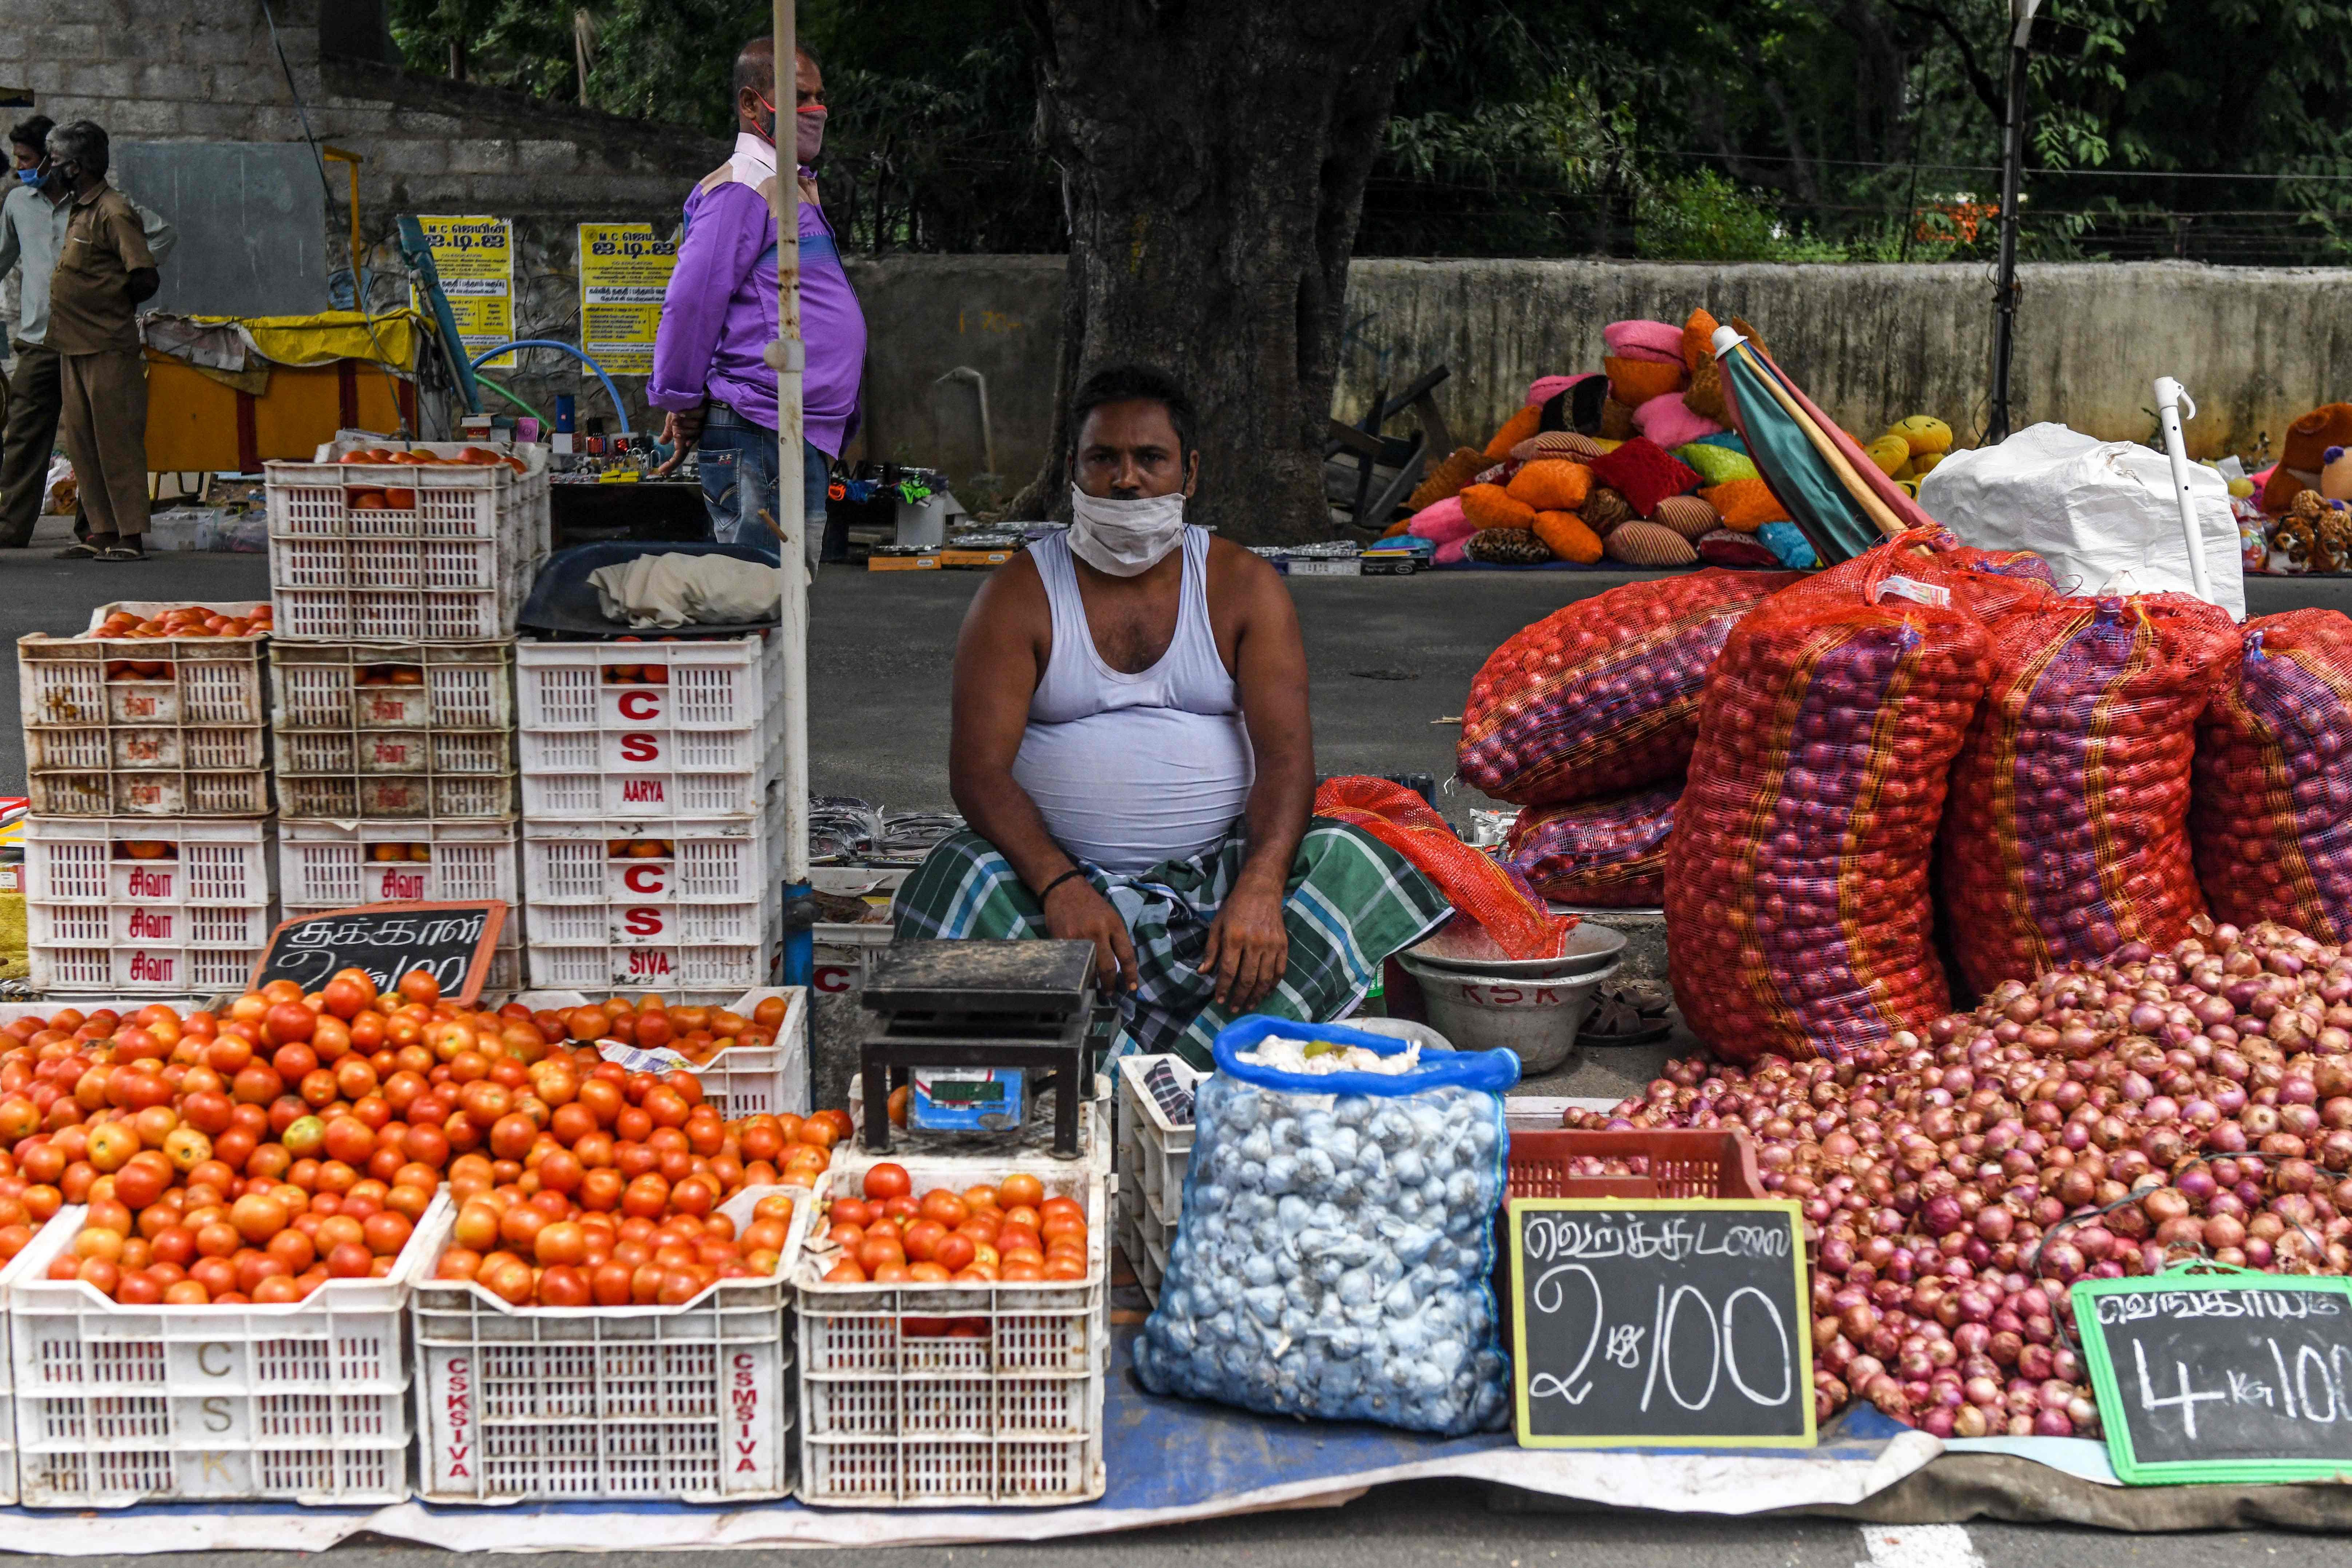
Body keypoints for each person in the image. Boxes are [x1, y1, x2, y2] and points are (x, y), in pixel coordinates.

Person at [893, 365, 1452, 1067]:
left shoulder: (1243, 585)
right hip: (1058, 888)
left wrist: (1260, 884)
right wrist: (1061, 884)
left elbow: (1285, 760)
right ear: (1073, 471)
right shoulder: (1019, 592)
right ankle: (1153, 1070)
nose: (1126, 479)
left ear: (1188, 473)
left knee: (1359, 856)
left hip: (1218, 882)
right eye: (1104, 459)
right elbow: (976, 772)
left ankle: (1194, 1067)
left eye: (1150, 459)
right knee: (955, 874)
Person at [650, 35, 864, 569]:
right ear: (751, 105)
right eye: (799, 97)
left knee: (784, 601)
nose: (815, 110)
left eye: (818, 97)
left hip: (790, 428)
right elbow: (692, 302)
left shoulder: (787, 186)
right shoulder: (744, 188)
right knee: (761, 599)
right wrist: (681, 398)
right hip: (760, 427)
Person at [0, 116, 174, 555]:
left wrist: (109, 302)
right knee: (79, 441)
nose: (46, 167)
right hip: (62, 342)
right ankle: (101, 533)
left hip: (103, 343)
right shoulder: (62, 206)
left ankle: (129, 535)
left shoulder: (113, 210)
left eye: (53, 160)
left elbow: (143, 277)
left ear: (75, 166)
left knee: (114, 439)